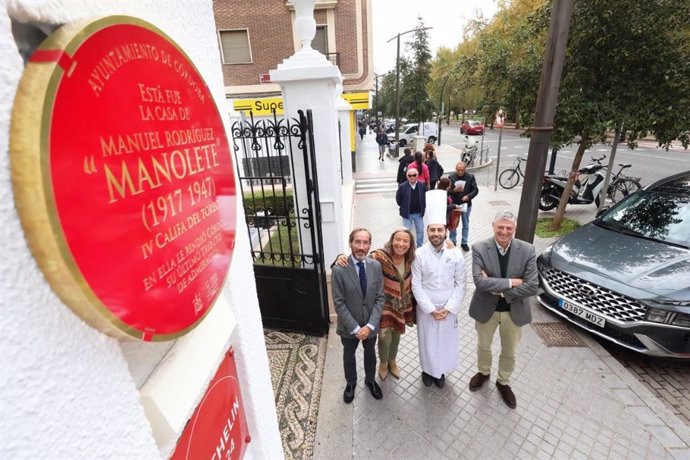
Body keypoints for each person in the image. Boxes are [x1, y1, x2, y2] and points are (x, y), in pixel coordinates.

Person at [467, 210, 538, 409]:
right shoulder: (479, 248)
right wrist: (512, 282)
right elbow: (479, 282)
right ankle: (483, 372)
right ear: (493, 226)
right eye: (501, 227)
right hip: (485, 309)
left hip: (513, 311)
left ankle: (503, 381)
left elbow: (532, 286)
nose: (504, 232)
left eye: (509, 228)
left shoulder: (528, 250)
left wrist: (500, 290)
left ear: (514, 229)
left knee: (510, 351)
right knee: (483, 346)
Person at [334, 229, 416, 381]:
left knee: (396, 337)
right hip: (382, 307)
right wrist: (340, 256)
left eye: (406, 241)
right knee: (384, 338)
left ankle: (391, 362)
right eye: (398, 239)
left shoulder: (412, 259)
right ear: (392, 240)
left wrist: (449, 245)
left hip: (400, 307)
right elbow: (359, 257)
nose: (401, 244)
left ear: (410, 245)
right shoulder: (380, 257)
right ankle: (382, 365)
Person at [412, 190, 466, 388]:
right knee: (426, 340)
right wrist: (431, 309)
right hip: (426, 306)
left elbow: (461, 284)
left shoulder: (456, 254)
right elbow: (416, 284)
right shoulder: (418, 254)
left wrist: (449, 308)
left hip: (448, 305)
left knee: (444, 341)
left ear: (446, 231)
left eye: (439, 230)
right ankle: (427, 370)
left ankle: (440, 372)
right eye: (432, 230)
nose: (436, 234)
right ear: (427, 232)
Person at [332, 228, 386, 404]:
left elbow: (379, 298)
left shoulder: (376, 266)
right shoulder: (339, 269)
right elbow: (339, 303)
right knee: (349, 354)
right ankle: (351, 383)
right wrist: (355, 328)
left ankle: (370, 380)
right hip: (349, 326)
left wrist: (370, 326)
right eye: (357, 242)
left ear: (370, 245)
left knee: (370, 353)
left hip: (370, 324)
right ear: (350, 243)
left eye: (365, 243)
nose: (361, 247)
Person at [448, 161, 479, 251]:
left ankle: (464, 242)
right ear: (455, 169)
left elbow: (475, 190)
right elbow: (447, 191)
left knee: (465, 224)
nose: (460, 172)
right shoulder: (451, 177)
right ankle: (453, 241)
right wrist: (454, 190)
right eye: (458, 170)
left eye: (462, 170)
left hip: (466, 204)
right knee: (453, 223)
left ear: (465, 169)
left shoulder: (470, 177)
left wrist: (468, 196)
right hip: (455, 205)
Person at [395, 167, 426, 247]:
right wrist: (403, 207)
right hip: (407, 214)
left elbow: (425, 198)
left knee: (420, 231)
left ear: (417, 176)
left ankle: (420, 246)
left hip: (419, 214)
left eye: (414, 175)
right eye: (410, 175)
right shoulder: (402, 186)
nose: (412, 177)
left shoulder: (422, 185)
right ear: (407, 176)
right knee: (406, 232)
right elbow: (398, 199)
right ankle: (408, 247)